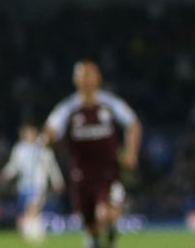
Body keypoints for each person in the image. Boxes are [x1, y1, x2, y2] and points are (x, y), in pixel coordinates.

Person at [43, 60, 141, 248]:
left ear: (98, 78)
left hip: (109, 171)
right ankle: (97, 240)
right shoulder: (68, 108)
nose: (86, 79)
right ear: (75, 80)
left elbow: (133, 124)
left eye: (90, 74)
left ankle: (110, 230)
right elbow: (51, 129)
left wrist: (131, 153)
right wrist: (48, 138)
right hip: (81, 172)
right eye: (82, 75)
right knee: (91, 224)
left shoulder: (110, 104)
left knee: (108, 213)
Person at [0, 123, 65, 244]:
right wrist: (6, 174)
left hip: (38, 185)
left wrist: (58, 181)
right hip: (23, 185)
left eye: (31, 132)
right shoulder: (19, 149)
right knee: (25, 212)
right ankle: (31, 234)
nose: (28, 135)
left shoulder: (43, 150)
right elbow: (14, 165)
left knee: (33, 209)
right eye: (26, 132)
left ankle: (34, 236)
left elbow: (52, 167)